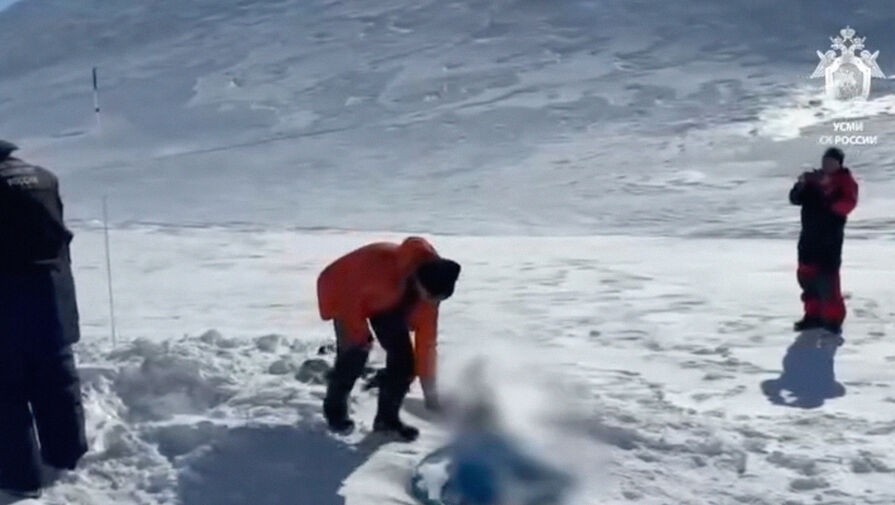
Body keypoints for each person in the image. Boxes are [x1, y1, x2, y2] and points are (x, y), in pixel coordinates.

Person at [0, 140, 88, 498]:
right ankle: (68, 459)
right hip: (53, 297)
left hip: (6, 302)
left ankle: (18, 480)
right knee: (56, 380)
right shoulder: (43, 178)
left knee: (6, 393)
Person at [317, 237, 461, 441]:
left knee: (404, 363)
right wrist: (360, 340)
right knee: (354, 355)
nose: (432, 303)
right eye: (430, 297)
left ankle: (386, 421)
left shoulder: (429, 293)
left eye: (437, 300)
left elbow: (426, 345)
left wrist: (430, 394)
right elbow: (349, 303)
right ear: (418, 281)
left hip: (386, 303)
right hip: (341, 288)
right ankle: (335, 411)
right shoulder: (379, 269)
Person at [789, 147, 858, 335]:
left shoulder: (845, 181)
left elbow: (846, 205)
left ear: (839, 164)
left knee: (828, 281)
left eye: (831, 161)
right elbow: (795, 199)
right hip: (808, 237)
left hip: (830, 239)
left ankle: (833, 319)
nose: (827, 164)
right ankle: (813, 316)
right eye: (825, 161)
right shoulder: (813, 179)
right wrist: (800, 185)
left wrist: (827, 191)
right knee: (807, 278)